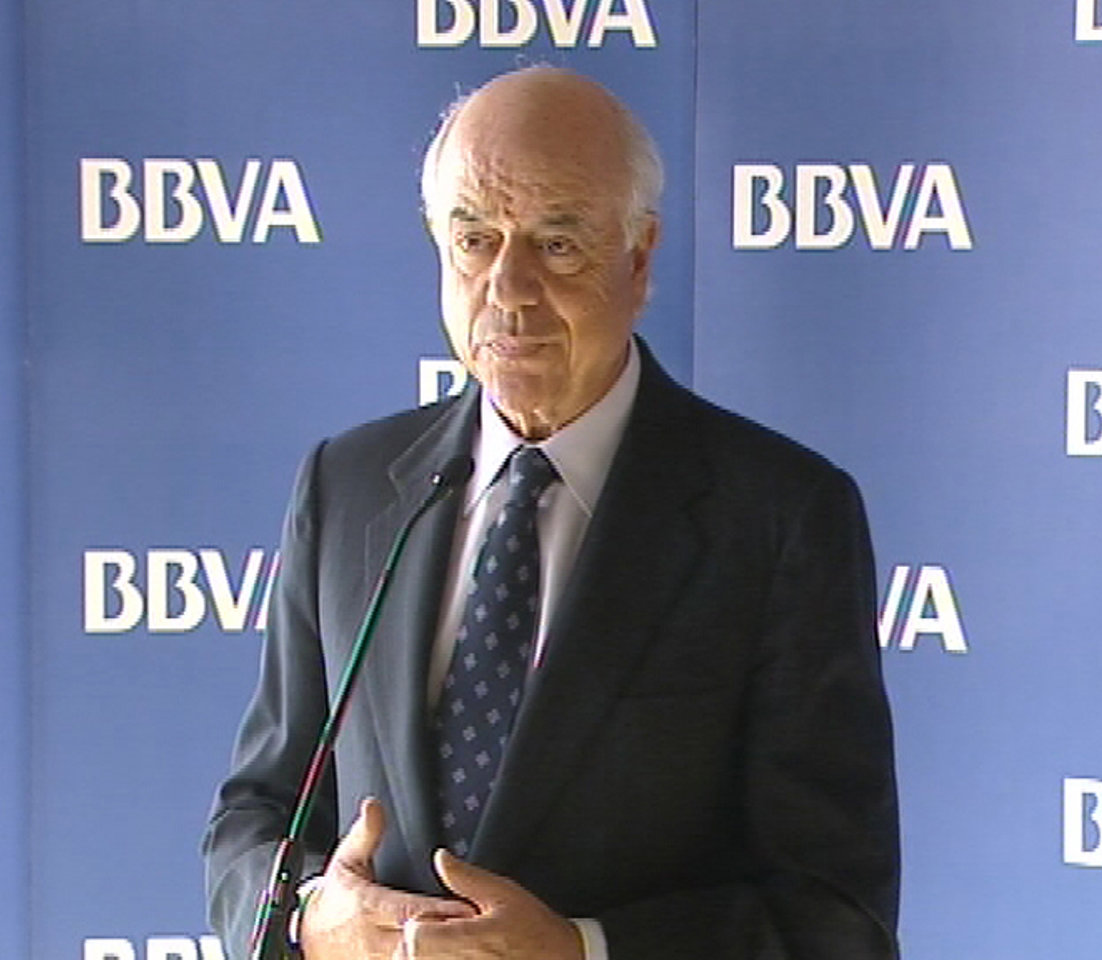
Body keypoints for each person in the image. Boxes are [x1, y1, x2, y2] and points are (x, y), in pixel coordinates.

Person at [203, 66, 900, 960]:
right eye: (474, 241)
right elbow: (254, 816)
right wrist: (309, 914)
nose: (508, 289)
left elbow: (837, 915)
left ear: (639, 258)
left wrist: (584, 949)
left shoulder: (779, 517)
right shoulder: (349, 486)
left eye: (558, 245)